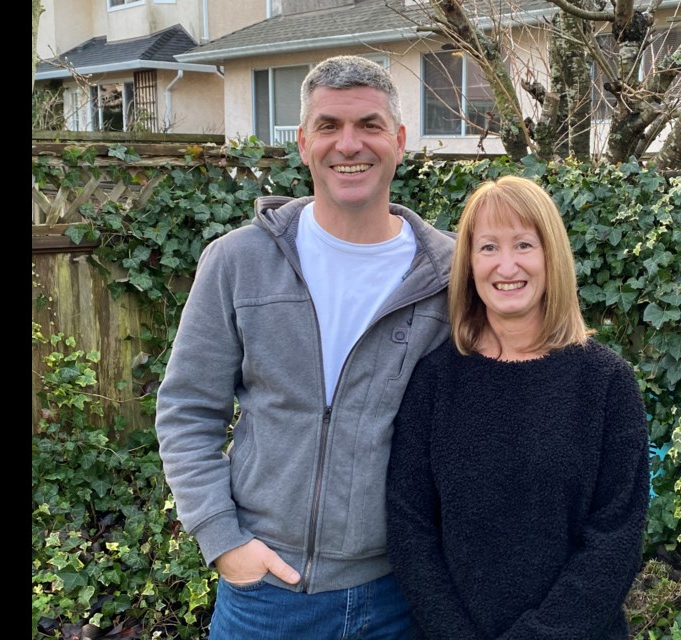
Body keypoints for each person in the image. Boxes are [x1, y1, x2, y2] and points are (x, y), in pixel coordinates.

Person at [155, 56, 455, 639]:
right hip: (267, 593)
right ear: (302, 143)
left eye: (369, 125)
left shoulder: (447, 273)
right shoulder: (238, 262)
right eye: (328, 126)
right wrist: (223, 540)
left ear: (398, 140)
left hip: (402, 593)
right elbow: (187, 411)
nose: (349, 145)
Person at [385, 175, 651, 639]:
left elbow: (616, 537)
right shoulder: (434, 380)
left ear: (552, 257)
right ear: (468, 263)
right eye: (488, 247)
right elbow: (410, 529)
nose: (506, 265)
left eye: (524, 244)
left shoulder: (605, 382)